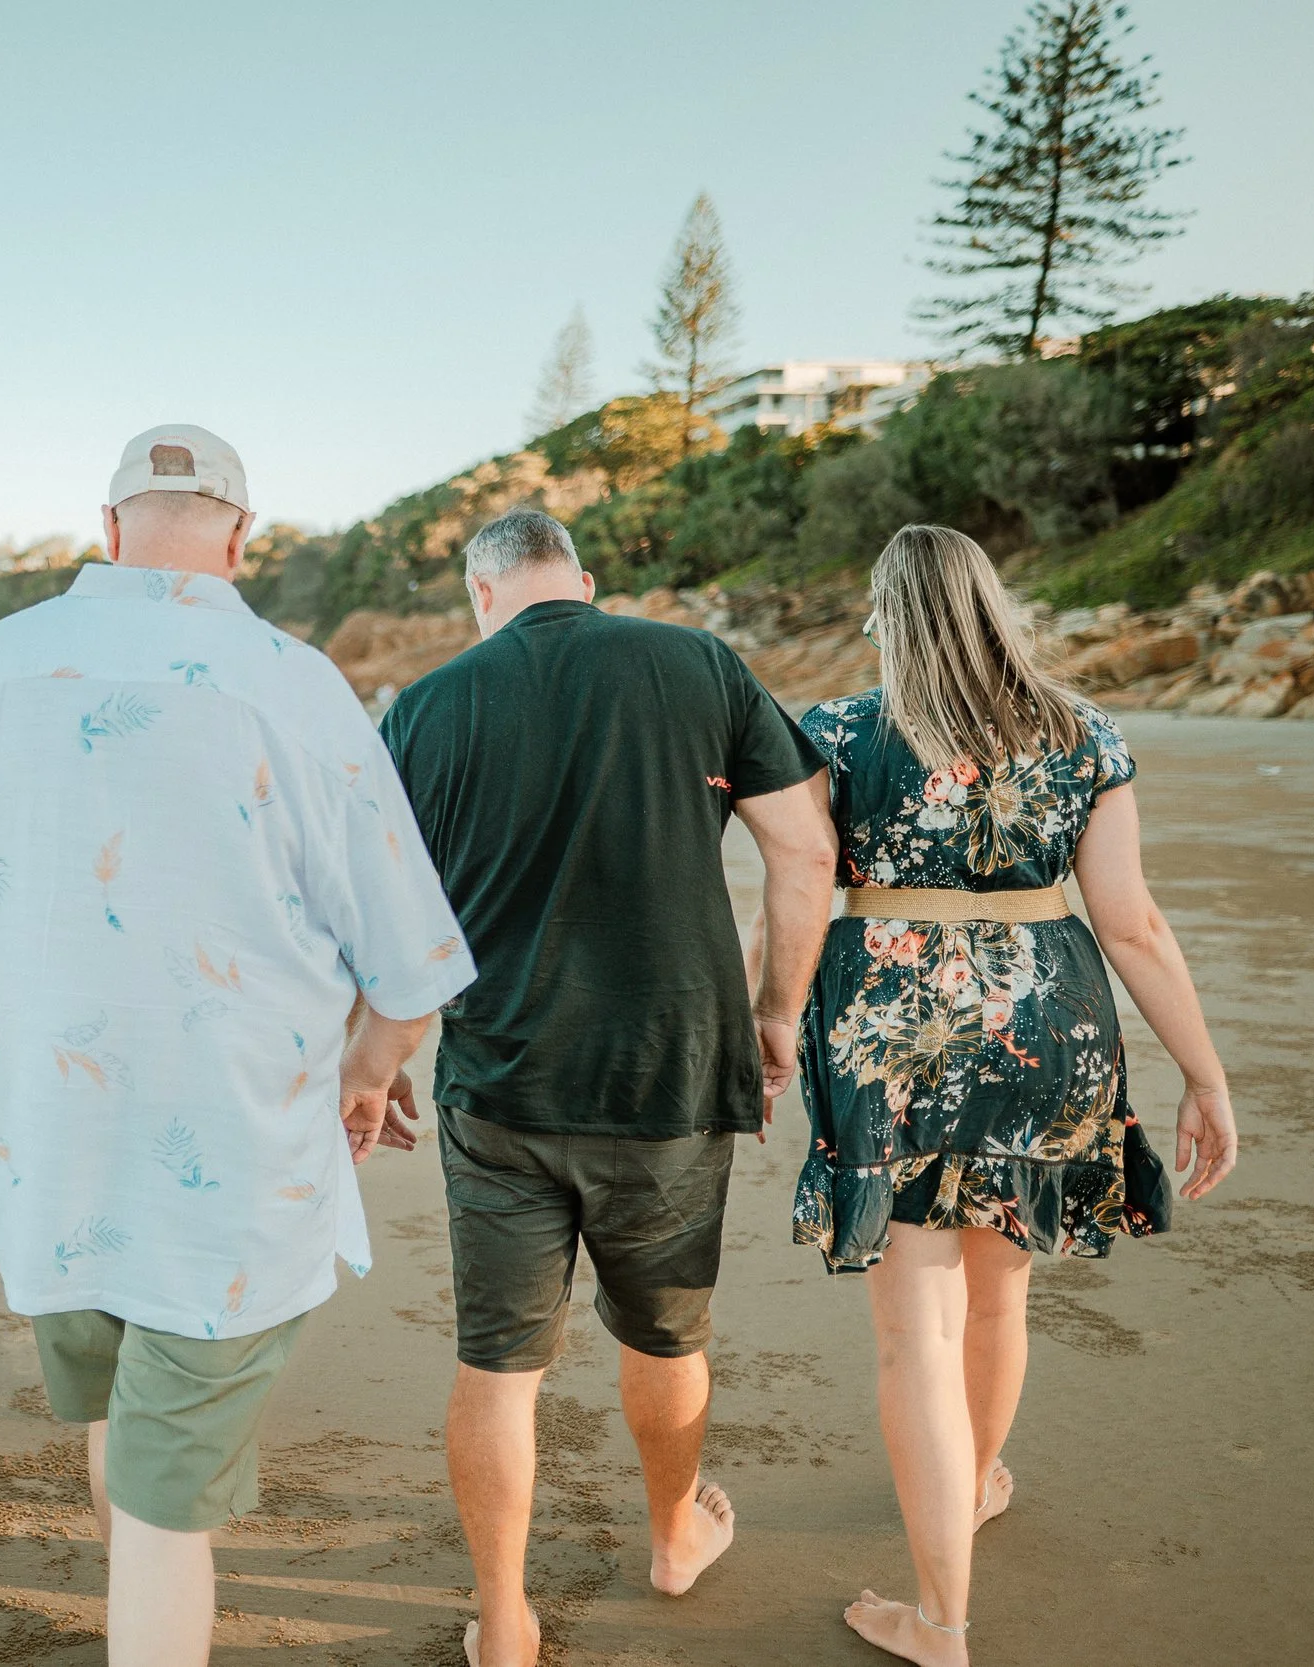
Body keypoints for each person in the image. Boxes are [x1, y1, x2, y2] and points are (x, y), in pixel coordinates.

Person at [0, 425, 475, 1667]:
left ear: (108, 526)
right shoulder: (295, 685)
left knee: (120, 1432)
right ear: (241, 539)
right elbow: (411, 965)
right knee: (165, 1509)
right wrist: (364, 1074)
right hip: (229, 1177)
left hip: (53, 1157)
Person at [376, 507, 837, 1667]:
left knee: (498, 1362)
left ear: (482, 595)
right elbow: (805, 849)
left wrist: (374, 1056)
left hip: (498, 1079)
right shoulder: (697, 663)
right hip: (669, 1071)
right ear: (584, 580)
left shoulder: (425, 706)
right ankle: (674, 1537)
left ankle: (503, 1619)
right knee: (666, 1333)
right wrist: (774, 1011)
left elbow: (385, 911)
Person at [787, 525, 1238, 1665]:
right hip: (1048, 1026)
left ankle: (941, 1620)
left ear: (887, 616)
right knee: (998, 1304)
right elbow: (1131, 923)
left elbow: (797, 883)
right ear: (992, 607)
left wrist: (763, 1017)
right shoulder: (1080, 731)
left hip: (891, 1031)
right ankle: (974, 1480)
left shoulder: (835, 732)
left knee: (916, 1334)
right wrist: (1204, 1072)